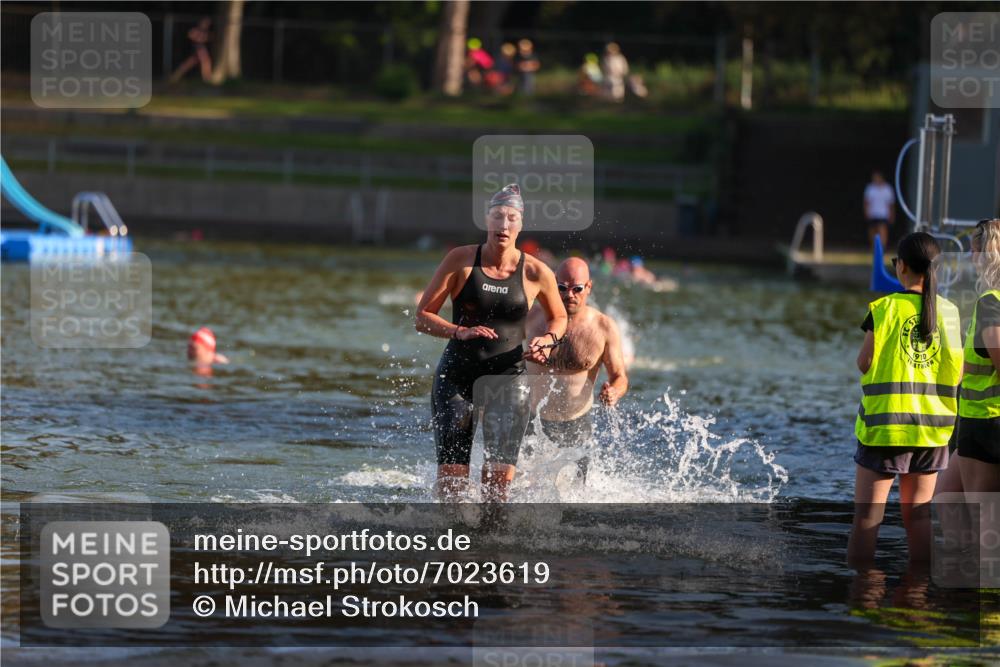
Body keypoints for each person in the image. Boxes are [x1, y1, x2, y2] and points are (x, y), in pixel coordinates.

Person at [415, 184, 567, 502]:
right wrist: (458, 331)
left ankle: (494, 552)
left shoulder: (536, 272)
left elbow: (559, 318)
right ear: (487, 220)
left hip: (508, 380)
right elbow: (423, 316)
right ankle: (453, 550)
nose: (504, 225)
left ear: (521, 224)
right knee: (452, 491)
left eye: (512, 217)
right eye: (498, 216)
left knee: (496, 493)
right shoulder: (460, 260)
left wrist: (548, 341)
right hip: (457, 378)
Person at [847, 232, 963, 567]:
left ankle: (863, 601)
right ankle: (918, 597)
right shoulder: (951, 313)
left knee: (868, 519)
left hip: (886, 428)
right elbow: (956, 374)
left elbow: (864, 363)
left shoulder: (883, 309)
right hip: (933, 431)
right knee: (920, 518)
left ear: (901, 267)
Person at [525, 258, 629, 482]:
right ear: (553, 284)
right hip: (533, 422)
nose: (569, 294)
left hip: (576, 425)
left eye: (577, 289)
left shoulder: (603, 327)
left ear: (588, 287)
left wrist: (614, 392)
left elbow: (619, 376)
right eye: (561, 287)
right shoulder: (531, 319)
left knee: (574, 498)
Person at [957, 218, 1000, 493]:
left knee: (984, 520)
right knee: (944, 494)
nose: (971, 257)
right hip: (977, 420)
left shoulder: (990, 303)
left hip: (987, 421)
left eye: (974, 251)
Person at [169, 18, 213, 84]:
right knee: (203, 62)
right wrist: (200, 38)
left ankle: (207, 78)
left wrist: (203, 38)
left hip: (201, 50)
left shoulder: (206, 32)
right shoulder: (195, 30)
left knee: (204, 62)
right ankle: (206, 79)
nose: (206, 25)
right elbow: (191, 35)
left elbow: (209, 37)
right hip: (198, 49)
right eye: (205, 23)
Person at [864, 170, 896, 251]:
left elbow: (890, 204)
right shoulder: (870, 188)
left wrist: (891, 214)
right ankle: (873, 247)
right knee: (872, 231)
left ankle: (882, 247)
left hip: (883, 214)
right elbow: (866, 202)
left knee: (882, 230)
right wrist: (867, 212)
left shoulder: (887, 189)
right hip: (873, 213)